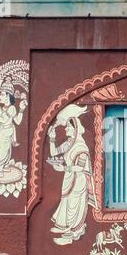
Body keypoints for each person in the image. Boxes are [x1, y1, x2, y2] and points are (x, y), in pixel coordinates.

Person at [48, 104, 98, 246]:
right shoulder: (70, 143)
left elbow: (80, 167)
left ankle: (70, 234)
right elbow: (54, 152)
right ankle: (63, 226)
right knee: (67, 202)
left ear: (75, 129)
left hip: (79, 180)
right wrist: (52, 138)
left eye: (68, 127)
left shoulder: (80, 146)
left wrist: (63, 168)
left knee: (74, 206)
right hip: (70, 179)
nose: (66, 129)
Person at [0, 90, 27, 172]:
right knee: (2, 149)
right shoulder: (2, 108)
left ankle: (0, 168)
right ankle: (1, 167)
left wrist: (21, 109)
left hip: (7, 131)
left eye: (2, 94)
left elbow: (17, 121)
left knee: (5, 149)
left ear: (8, 96)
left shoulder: (12, 108)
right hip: (2, 131)